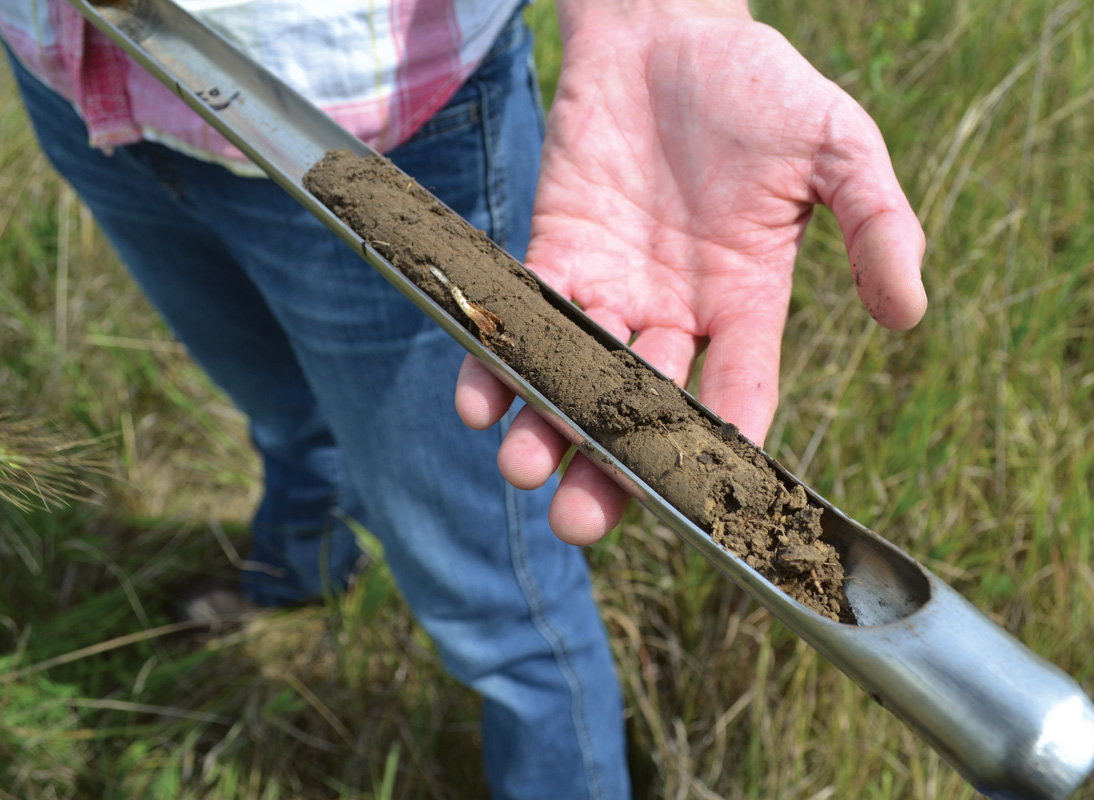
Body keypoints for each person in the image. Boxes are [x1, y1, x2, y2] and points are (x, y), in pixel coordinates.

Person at [0, 1, 926, 797]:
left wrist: (661, 15)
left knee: (497, 593)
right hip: (86, 73)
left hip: (381, 136)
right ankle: (304, 566)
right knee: (283, 409)